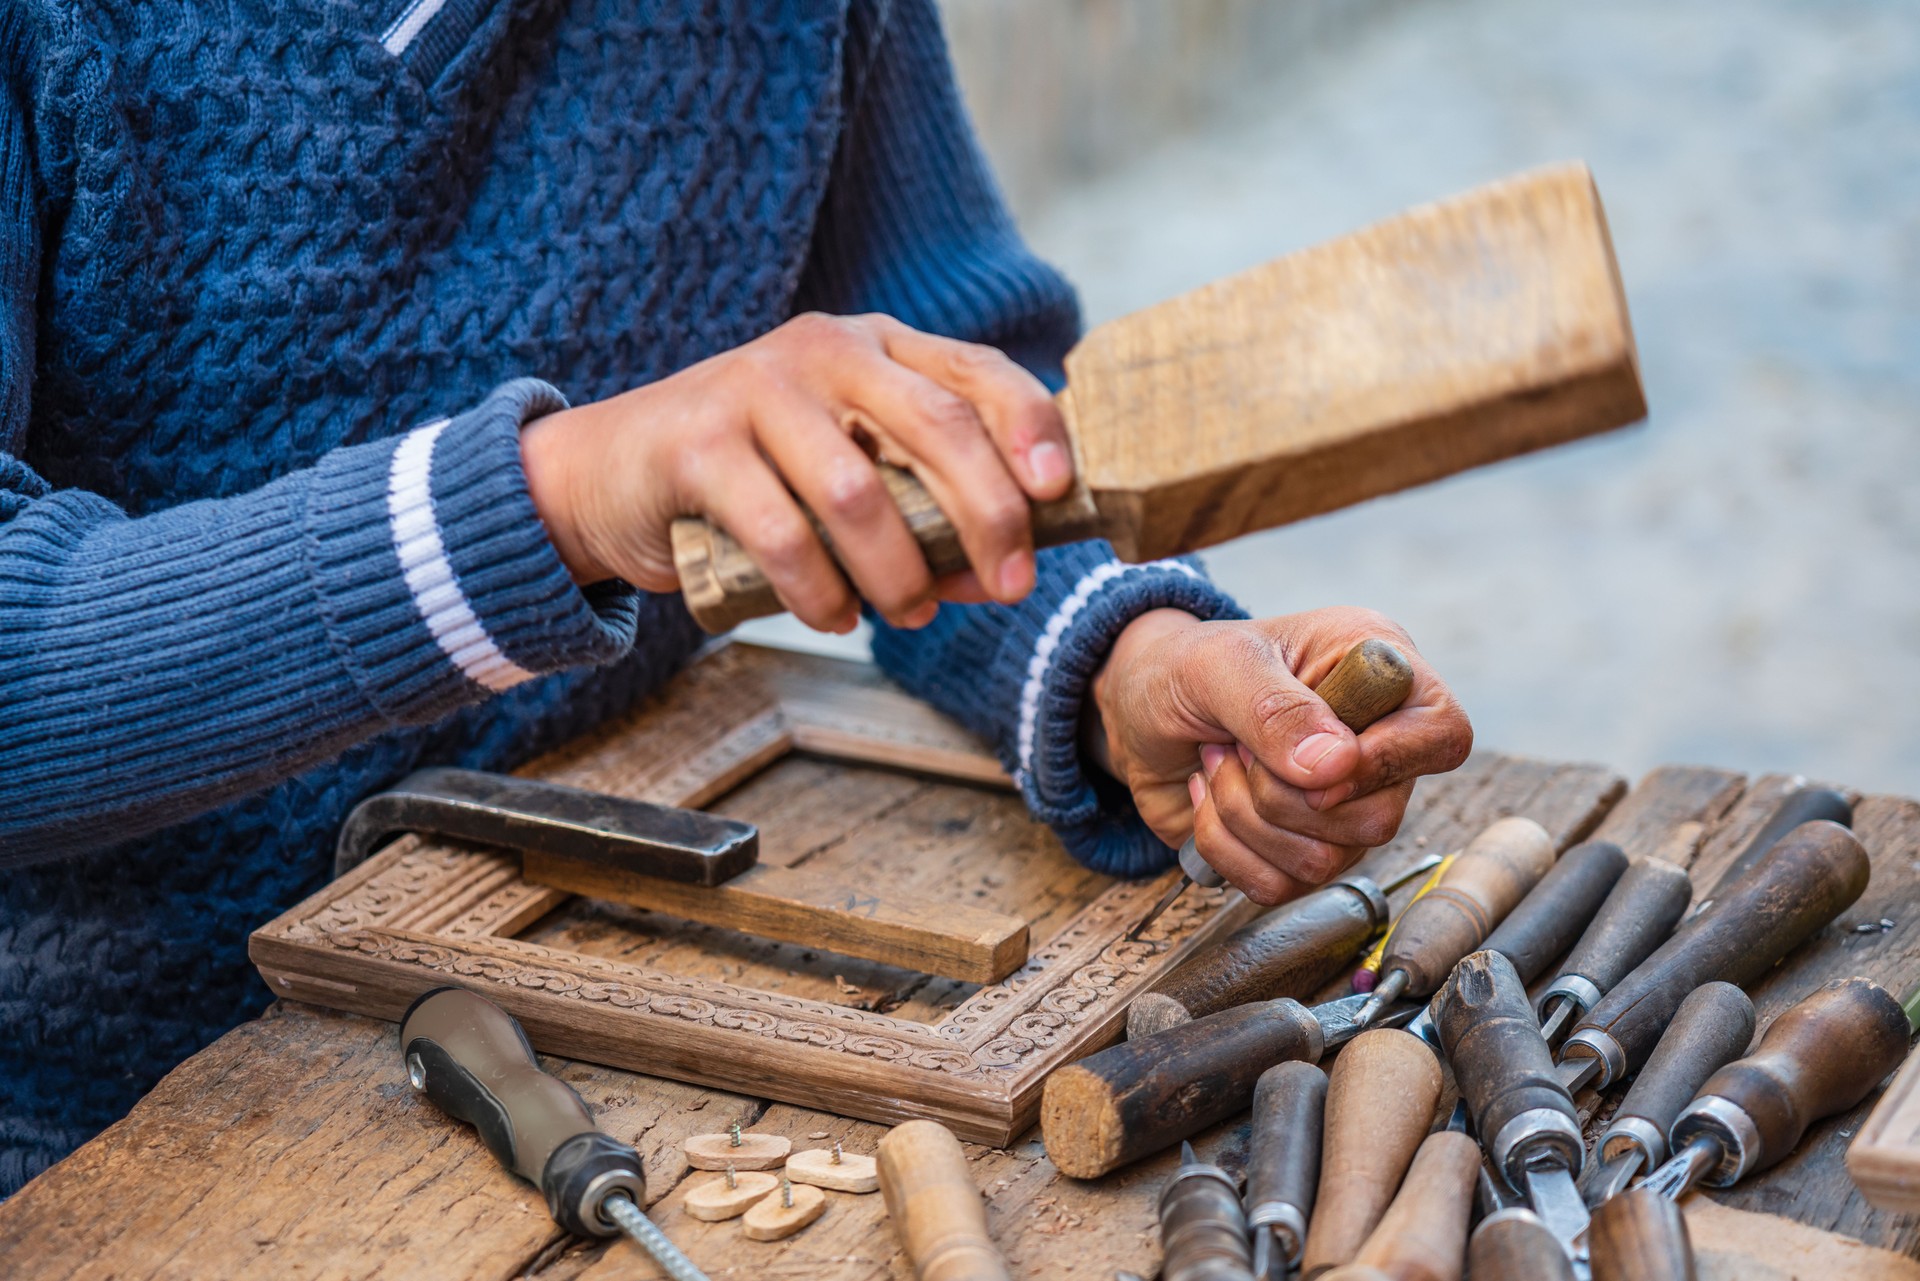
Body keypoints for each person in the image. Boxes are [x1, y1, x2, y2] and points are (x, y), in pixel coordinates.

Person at [0, 0, 1471, 1192]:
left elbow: (933, 423)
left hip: (619, 998)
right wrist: (557, 497)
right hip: (102, 1127)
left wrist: (1117, 655)